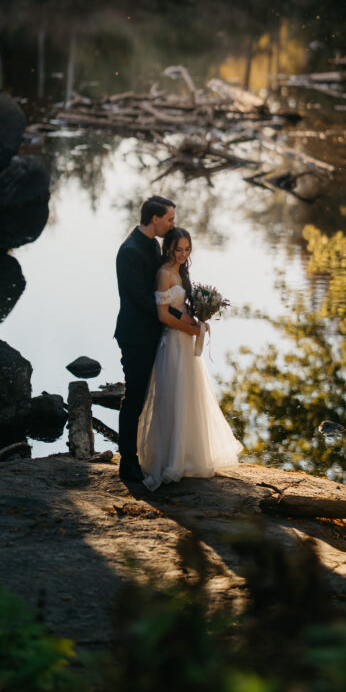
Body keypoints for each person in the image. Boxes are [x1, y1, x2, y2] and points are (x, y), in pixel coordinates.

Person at [137, 227, 243, 492]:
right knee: (174, 396)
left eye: (187, 249)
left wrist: (198, 319)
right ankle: (172, 459)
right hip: (173, 344)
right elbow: (163, 315)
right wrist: (193, 329)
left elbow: (180, 309)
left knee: (190, 395)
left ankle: (190, 455)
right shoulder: (163, 274)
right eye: (178, 249)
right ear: (169, 248)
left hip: (185, 342)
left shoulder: (180, 272)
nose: (183, 254)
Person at [115, 197, 198, 482]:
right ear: (155, 219)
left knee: (157, 395)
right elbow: (139, 298)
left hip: (158, 335)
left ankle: (160, 452)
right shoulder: (129, 251)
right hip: (136, 335)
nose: (172, 224)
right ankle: (128, 461)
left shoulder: (151, 244)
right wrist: (175, 316)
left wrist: (185, 311)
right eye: (170, 219)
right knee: (135, 397)